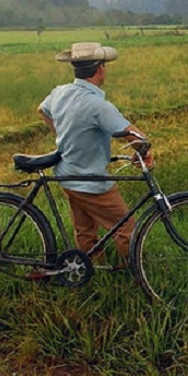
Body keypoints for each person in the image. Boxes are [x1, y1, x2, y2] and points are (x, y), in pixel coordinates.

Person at [38, 42, 153, 267]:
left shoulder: (60, 92)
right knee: (127, 229)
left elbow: (42, 110)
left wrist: (63, 132)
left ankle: (91, 272)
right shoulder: (97, 105)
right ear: (100, 69)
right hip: (91, 180)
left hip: (68, 176)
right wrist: (145, 151)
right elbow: (134, 136)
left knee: (85, 231)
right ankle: (136, 277)